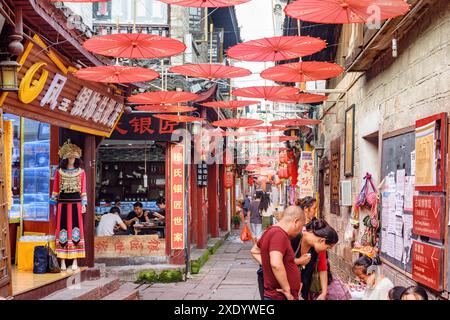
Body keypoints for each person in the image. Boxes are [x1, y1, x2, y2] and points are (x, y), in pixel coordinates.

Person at [250, 206, 306, 300]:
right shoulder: (279, 234)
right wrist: (287, 289)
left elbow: (254, 251)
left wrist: (268, 267)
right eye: (301, 227)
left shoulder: (270, 231)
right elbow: (276, 264)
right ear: (296, 221)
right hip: (279, 297)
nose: (299, 232)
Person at [50, 140, 86, 271]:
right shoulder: (59, 172)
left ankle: (75, 259)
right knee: (62, 231)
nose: (71, 159)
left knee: (76, 230)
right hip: (63, 205)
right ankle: (63, 260)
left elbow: (83, 190)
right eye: (69, 157)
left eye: (73, 157)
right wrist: (54, 204)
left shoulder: (81, 172)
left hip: (76, 204)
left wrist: (84, 204)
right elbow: (55, 190)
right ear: (65, 158)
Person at [290, 219, 339, 300]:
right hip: (283, 288)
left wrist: (323, 293)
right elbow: (278, 262)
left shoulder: (318, 248)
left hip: (303, 289)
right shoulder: (294, 237)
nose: (326, 250)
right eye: (328, 247)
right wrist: (298, 261)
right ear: (322, 240)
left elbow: (323, 268)